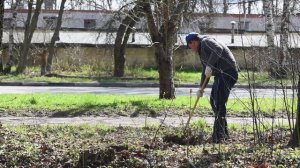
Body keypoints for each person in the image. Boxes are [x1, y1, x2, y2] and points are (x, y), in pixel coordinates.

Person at [185, 32, 239, 143]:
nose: (190, 48)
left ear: (194, 42)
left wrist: (209, 65)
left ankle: (218, 136)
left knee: (218, 103)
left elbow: (218, 49)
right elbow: (205, 71)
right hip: (221, 75)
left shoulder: (205, 42)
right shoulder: (202, 51)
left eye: (189, 45)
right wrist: (201, 88)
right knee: (214, 101)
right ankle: (223, 133)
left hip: (227, 72)